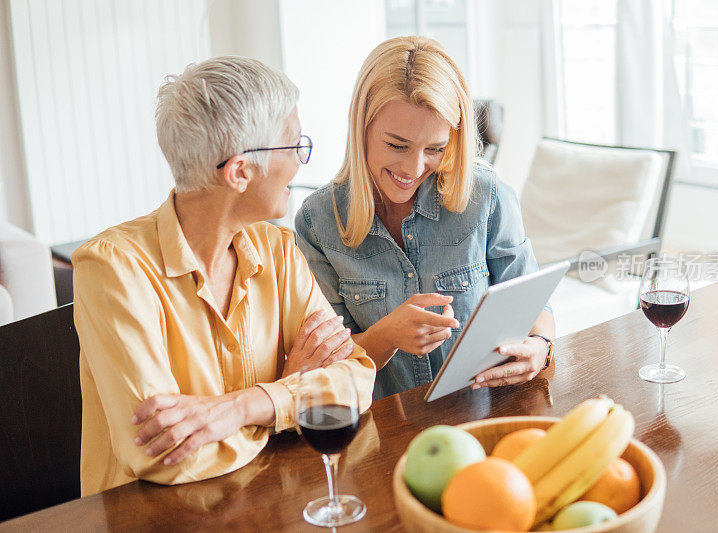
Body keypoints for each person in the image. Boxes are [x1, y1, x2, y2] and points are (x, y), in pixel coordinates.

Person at [72, 57, 375, 496]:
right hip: (151, 518)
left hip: (267, 501)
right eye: (293, 146)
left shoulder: (279, 251)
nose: (300, 162)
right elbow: (161, 455)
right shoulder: (111, 270)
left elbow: (356, 378)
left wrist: (247, 405)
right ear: (239, 172)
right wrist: (290, 401)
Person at [295, 36, 554, 401]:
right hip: (382, 435)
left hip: (482, 416)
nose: (413, 168)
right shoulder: (317, 222)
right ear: (361, 128)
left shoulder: (487, 196)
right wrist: (385, 337)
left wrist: (540, 346)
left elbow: (535, 305)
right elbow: (326, 366)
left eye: (435, 148)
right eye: (397, 145)